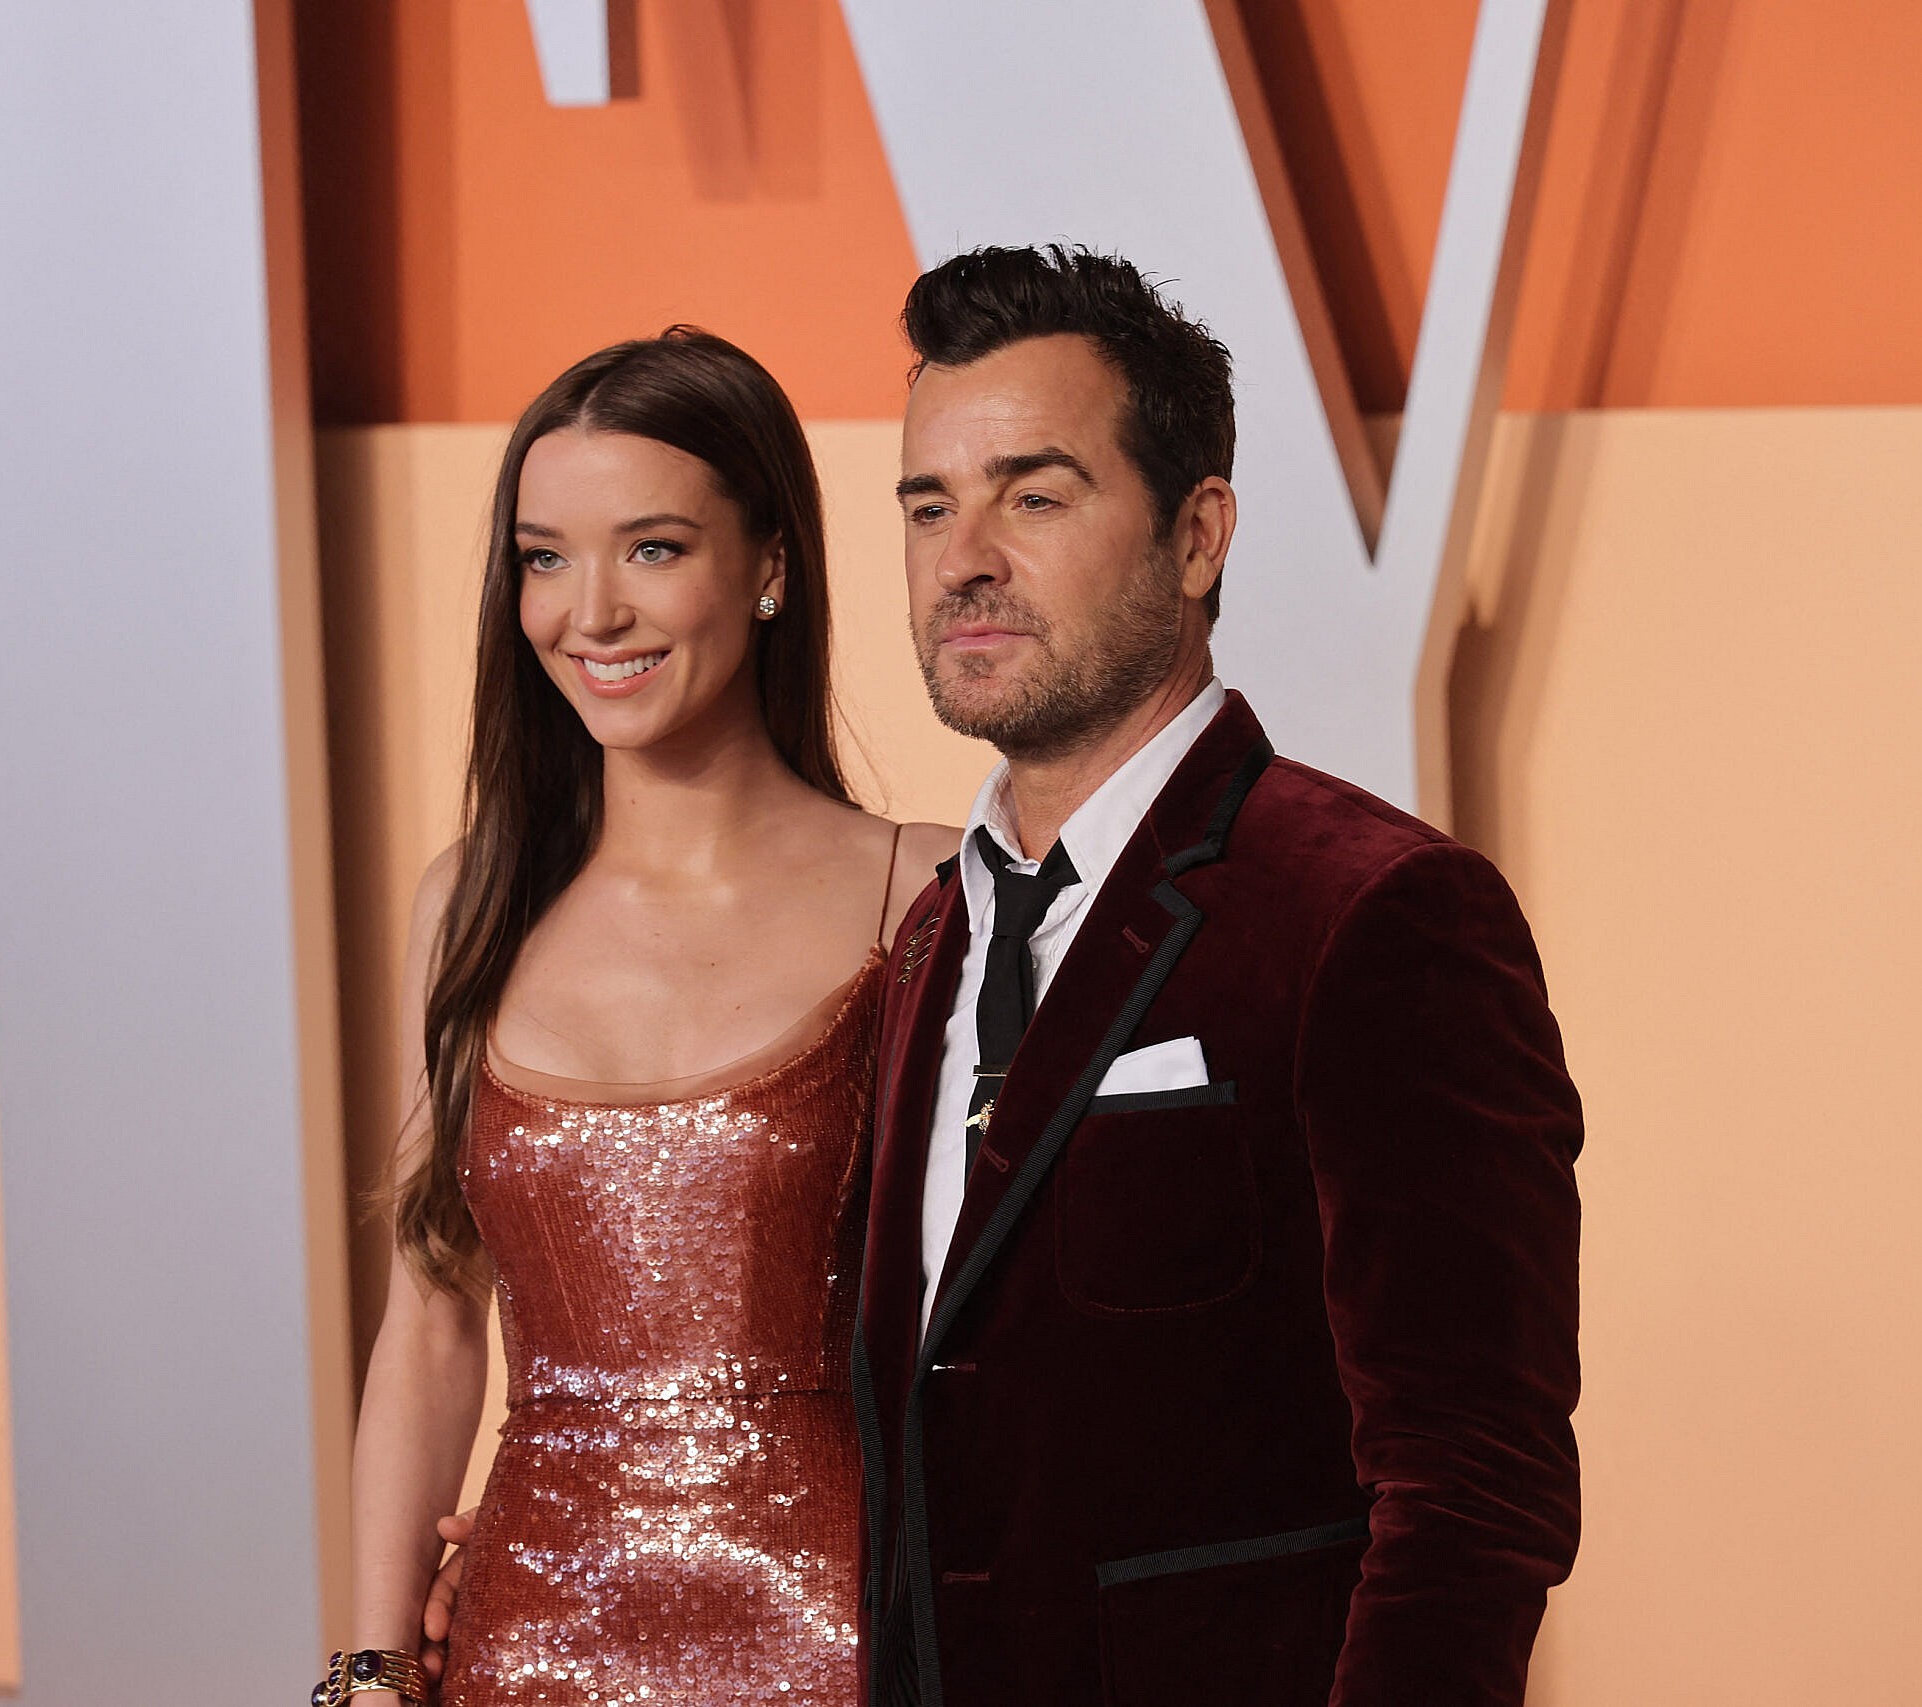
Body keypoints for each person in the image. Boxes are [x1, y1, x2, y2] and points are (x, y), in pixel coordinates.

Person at [857, 246, 1584, 1705]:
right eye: (930, 506)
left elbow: (1473, 1490)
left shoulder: (1376, 910)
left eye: (1036, 496)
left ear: (1199, 537)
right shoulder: (927, 939)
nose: (965, 557)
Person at [339, 327, 957, 1705]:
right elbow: (433, 1319)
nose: (590, 612)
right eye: (544, 557)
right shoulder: (470, 907)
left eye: (654, 549)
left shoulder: (923, 893)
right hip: (523, 1649)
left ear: (774, 567)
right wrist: (373, 1668)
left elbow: (992, 1331)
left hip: (839, 1645)